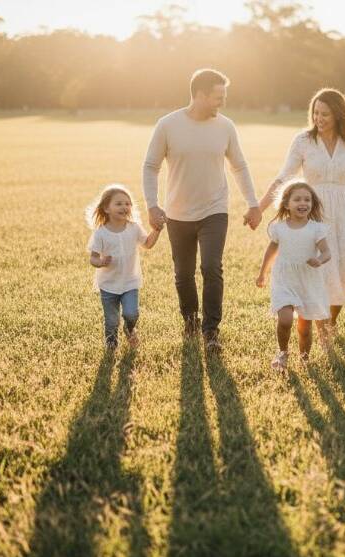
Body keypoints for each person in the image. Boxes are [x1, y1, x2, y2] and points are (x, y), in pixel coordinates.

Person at [142, 68, 261, 351]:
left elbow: (239, 166)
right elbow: (150, 166)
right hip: (177, 212)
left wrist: (253, 203)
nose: (222, 102)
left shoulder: (225, 126)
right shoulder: (168, 125)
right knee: (183, 274)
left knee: (211, 267)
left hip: (214, 210)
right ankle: (190, 322)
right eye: (218, 97)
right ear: (199, 95)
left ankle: (211, 332)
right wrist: (152, 205)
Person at [259, 88, 345, 331]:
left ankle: (330, 323)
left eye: (325, 114)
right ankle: (319, 325)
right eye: (316, 113)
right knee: (321, 271)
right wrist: (259, 208)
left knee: (344, 271)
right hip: (314, 213)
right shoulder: (303, 141)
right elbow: (283, 178)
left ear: (338, 115)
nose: (319, 118)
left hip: (344, 214)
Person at [256, 182, 332, 372]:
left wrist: (319, 260)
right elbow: (271, 252)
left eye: (307, 199)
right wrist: (262, 273)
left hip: (308, 280)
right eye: (297, 199)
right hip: (285, 279)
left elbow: (327, 252)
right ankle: (282, 353)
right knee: (285, 320)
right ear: (286, 203)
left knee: (305, 329)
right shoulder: (279, 228)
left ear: (312, 204)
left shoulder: (316, 229)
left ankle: (305, 359)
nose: (302, 203)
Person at [87, 184, 162, 351]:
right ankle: (111, 344)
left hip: (130, 282)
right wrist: (100, 262)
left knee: (131, 313)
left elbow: (148, 244)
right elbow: (93, 258)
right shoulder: (101, 233)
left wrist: (156, 230)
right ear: (106, 208)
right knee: (111, 319)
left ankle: (129, 329)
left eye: (127, 203)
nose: (125, 207)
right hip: (108, 285)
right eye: (119, 203)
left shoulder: (133, 228)